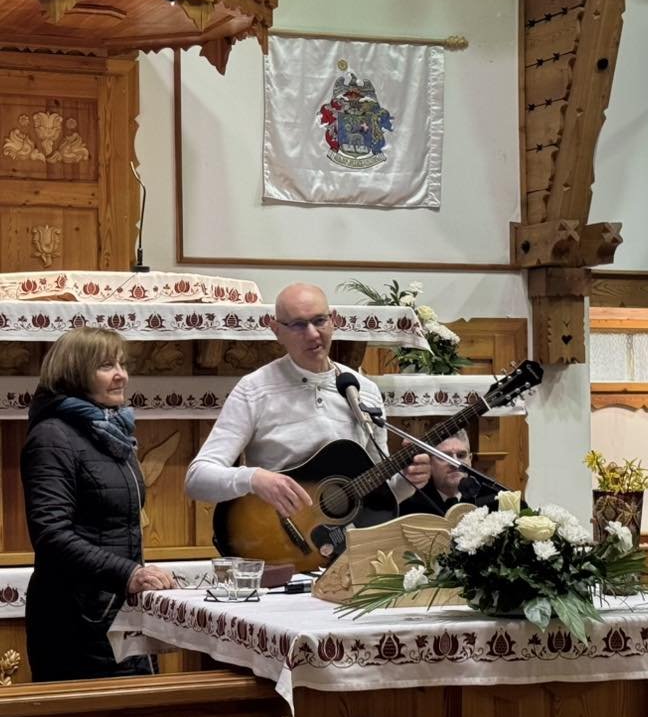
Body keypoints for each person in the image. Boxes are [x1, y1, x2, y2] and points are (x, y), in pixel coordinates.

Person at [185, 282, 431, 526]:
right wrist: (254, 479)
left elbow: (376, 495)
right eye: (298, 325)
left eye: (319, 321)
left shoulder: (363, 391)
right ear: (276, 331)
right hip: (274, 536)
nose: (313, 334)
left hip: (347, 542)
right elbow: (197, 479)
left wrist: (408, 482)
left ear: (333, 320)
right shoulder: (254, 389)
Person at [20, 326, 176, 682]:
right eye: (107, 366)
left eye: (122, 364)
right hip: (74, 620)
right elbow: (51, 534)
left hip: (115, 610)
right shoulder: (52, 436)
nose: (122, 375)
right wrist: (128, 573)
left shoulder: (111, 433)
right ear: (74, 373)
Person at [398, 428, 497, 516]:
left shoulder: (490, 496)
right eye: (444, 457)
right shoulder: (409, 501)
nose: (455, 464)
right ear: (429, 461)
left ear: (470, 460)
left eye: (461, 456)